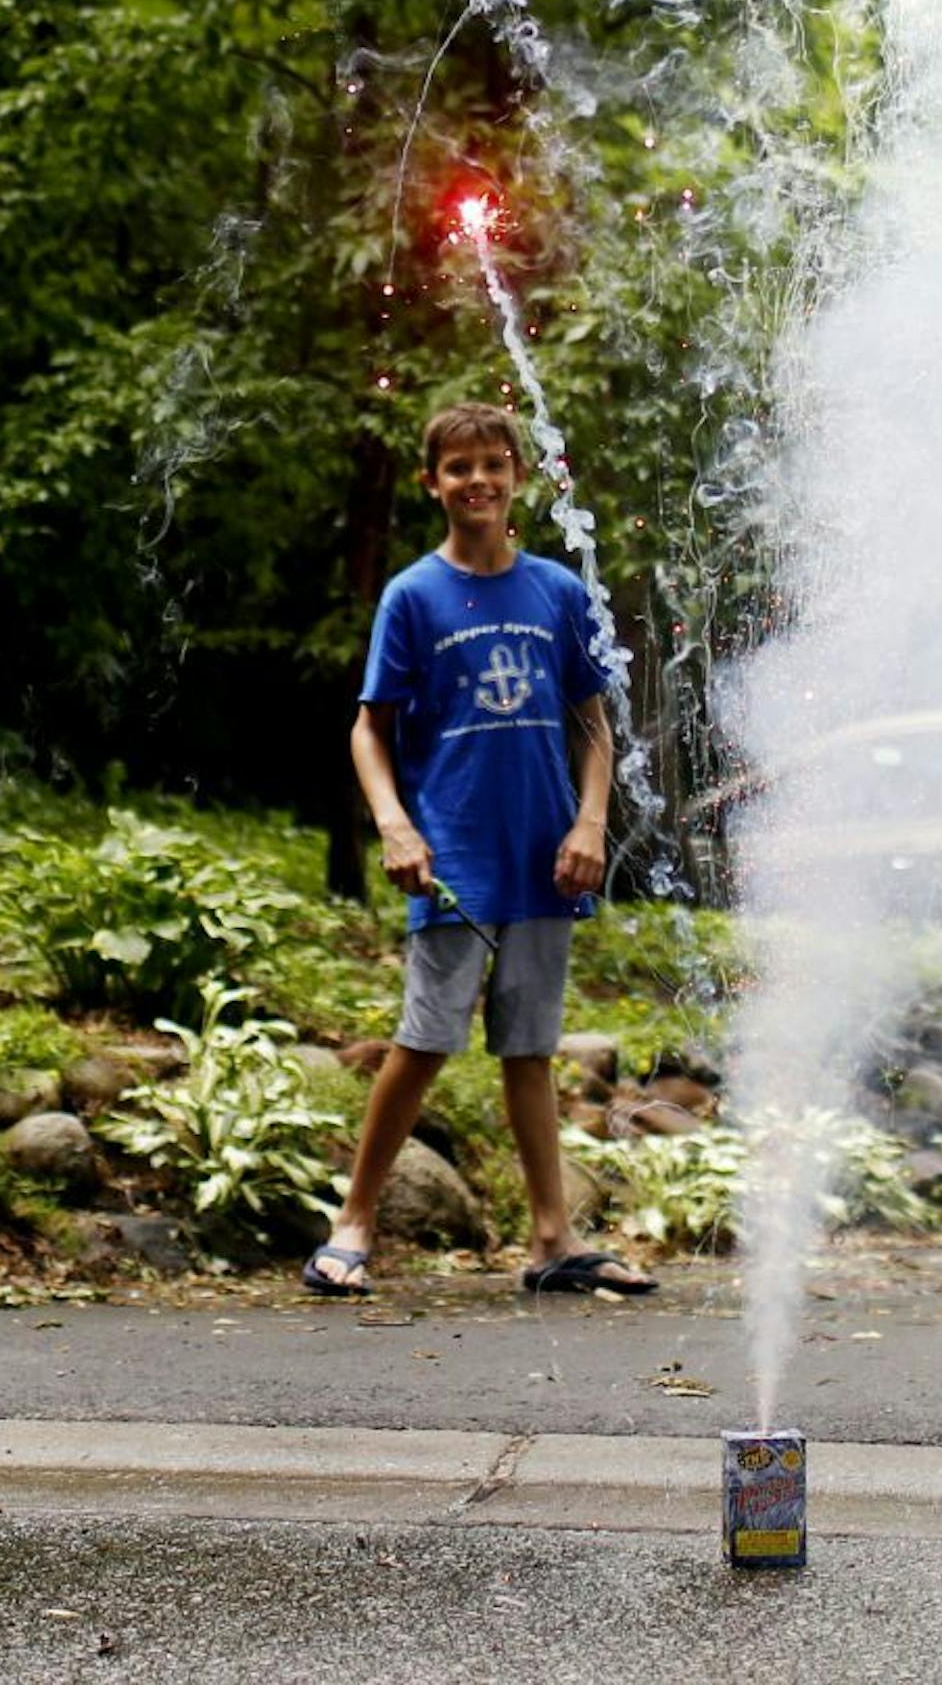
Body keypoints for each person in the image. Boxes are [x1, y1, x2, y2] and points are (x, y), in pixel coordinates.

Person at [302, 400, 657, 1298]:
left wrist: (588, 822)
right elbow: (369, 729)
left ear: (516, 479)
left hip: (545, 854)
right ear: (433, 484)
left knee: (529, 1050)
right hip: (453, 858)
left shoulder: (557, 592)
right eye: (458, 468)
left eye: (493, 464)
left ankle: (550, 1239)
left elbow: (594, 720)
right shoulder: (413, 596)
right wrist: (393, 823)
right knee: (423, 1042)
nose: (478, 481)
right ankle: (352, 1225)